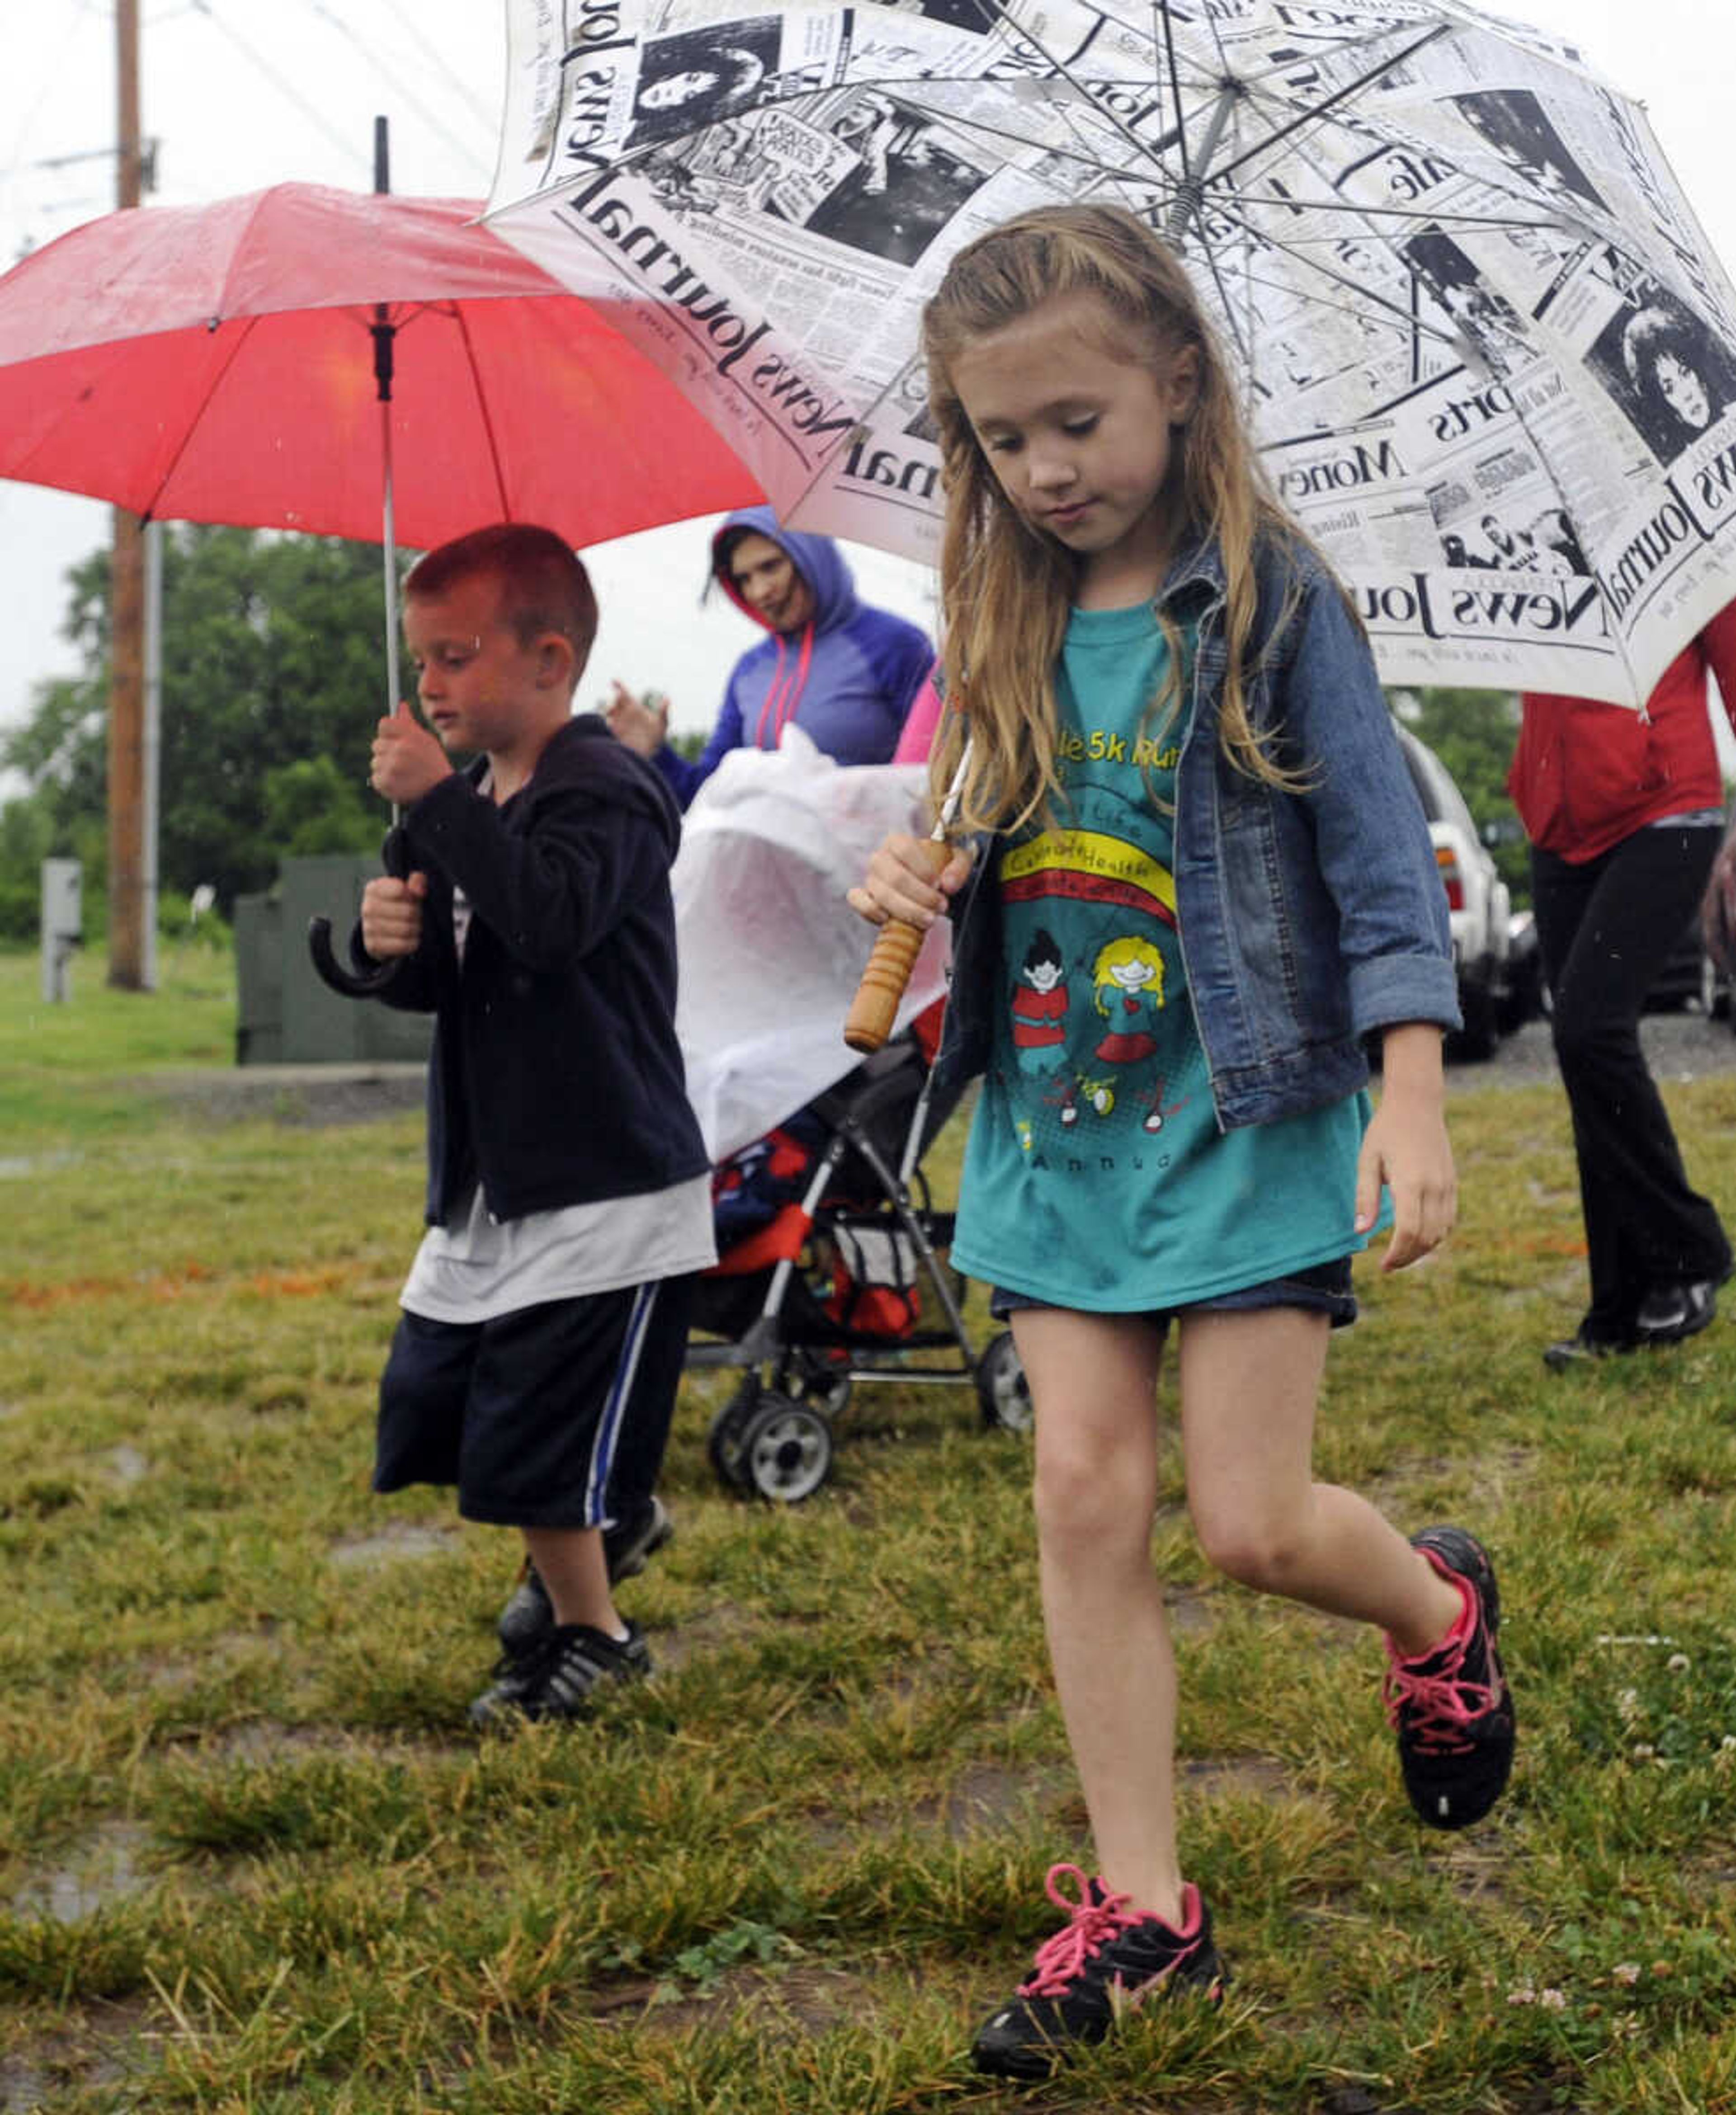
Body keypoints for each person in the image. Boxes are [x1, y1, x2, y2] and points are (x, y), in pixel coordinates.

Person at [848, 202, 1514, 2080]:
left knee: (1252, 1522)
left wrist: (1409, 1088)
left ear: (1180, 388)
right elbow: (967, 833)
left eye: (1077, 420)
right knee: (1082, 1490)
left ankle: (1436, 1600)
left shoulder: (1278, 599)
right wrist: (917, 864)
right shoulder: (990, 621)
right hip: (1059, 1138)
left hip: (1242, 1120)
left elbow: (1382, 865)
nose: (1044, 468)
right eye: (1001, 437)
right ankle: (1145, 1905)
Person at [349, 523, 716, 1725]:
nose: (430, 686)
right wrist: (387, 949)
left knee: (539, 1432)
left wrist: (444, 807)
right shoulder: (473, 799)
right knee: (443, 1397)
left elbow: (551, 920)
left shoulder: (608, 788)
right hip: (491, 1175)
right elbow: (459, 978)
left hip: (599, 1174)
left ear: (551, 658)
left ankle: (595, 1631)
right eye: (423, 660)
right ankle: (601, 1529)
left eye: (455, 658)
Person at [1512, 610, 1736, 1369]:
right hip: (1558, 823)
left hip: (1667, 804)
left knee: (1588, 1029)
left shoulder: (1675, 529)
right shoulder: (1510, 538)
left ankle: (1687, 1250)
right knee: (1584, 1060)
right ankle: (1618, 1309)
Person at [605, 506, 933, 803]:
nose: (759, 591)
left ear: (811, 555)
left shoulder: (896, 645)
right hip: (765, 866)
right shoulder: (751, 670)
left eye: (770, 567)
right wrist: (657, 752)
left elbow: (933, 770)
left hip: (872, 865)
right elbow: (708, 794)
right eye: (743, 579)